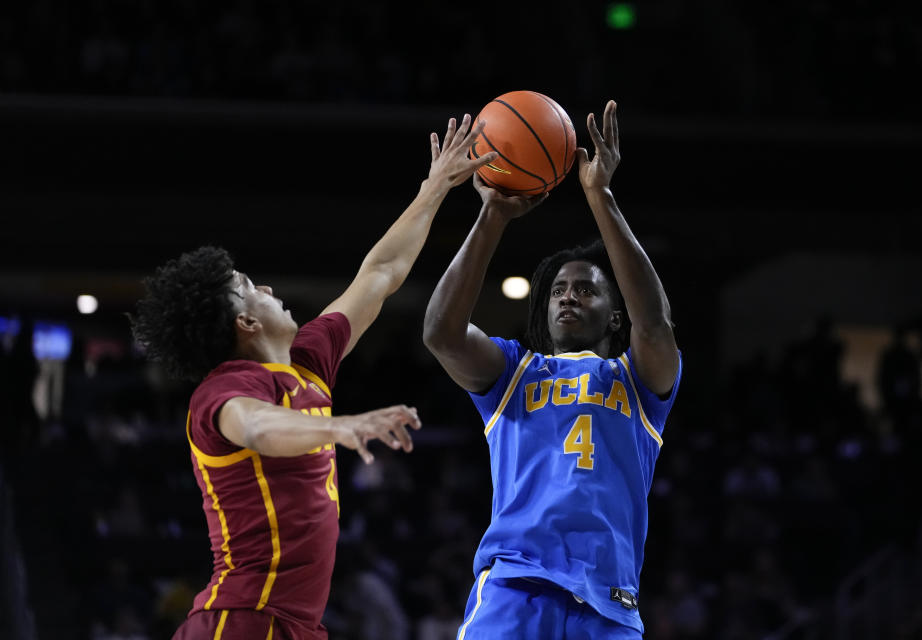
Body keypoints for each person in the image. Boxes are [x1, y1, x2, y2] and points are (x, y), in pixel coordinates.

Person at [129, 114, 497, 640]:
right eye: (252, 287)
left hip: (292, 625)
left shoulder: (309, 363)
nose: (269, 287)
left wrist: (435, 187)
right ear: (247, 323)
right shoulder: (224, 391)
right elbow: (256, 427)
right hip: (241, 621)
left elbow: (380, 273)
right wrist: (339, 428)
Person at [423, 100, 682, 638]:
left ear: (614, 315)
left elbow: (654, 324)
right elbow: (442, 333)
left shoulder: (639, 383)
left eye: (585, 290)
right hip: (516, 588)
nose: (567, 298)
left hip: (609, 603)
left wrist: (601, 196)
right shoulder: (516, 372)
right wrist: (493, 214)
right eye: (559, 291)